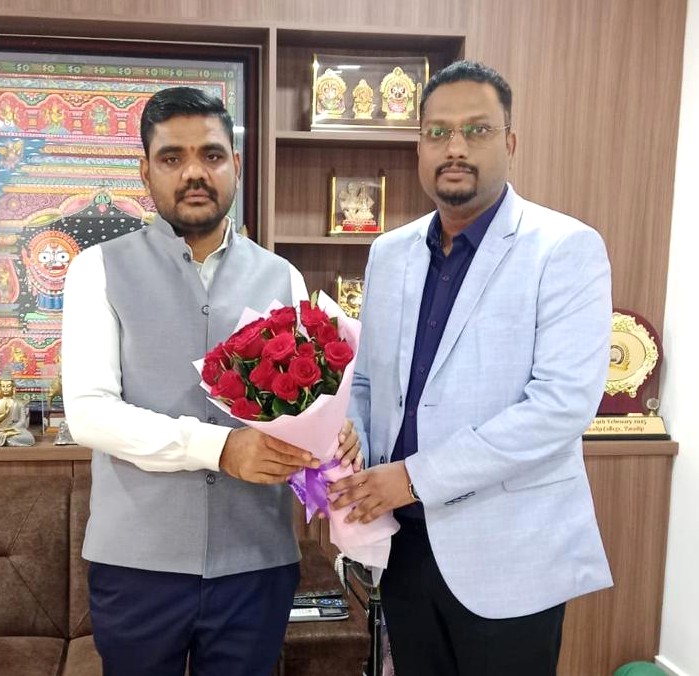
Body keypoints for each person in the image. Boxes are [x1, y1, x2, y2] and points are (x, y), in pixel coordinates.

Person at [62, 87, 360, 676]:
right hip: (138, 565)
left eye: (212, 155)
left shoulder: (282, 276)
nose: (194, 172)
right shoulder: (97, 269)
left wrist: (336, 436)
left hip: (256, 561)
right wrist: (222, 448)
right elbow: (91, 413)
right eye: (172, 157)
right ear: (145, 171)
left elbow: (308, 405)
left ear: (236, 167)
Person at [329, 60, 613, 676]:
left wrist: (411, 478)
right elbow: (369, 381)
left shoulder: (564, 247)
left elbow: (559, 408)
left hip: (510, 553)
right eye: (438, 132)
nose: (454, 148)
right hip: (403, 547)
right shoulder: (390, 253)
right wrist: (351, 441)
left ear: (510, 142)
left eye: (476, 130)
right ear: (419, 146)